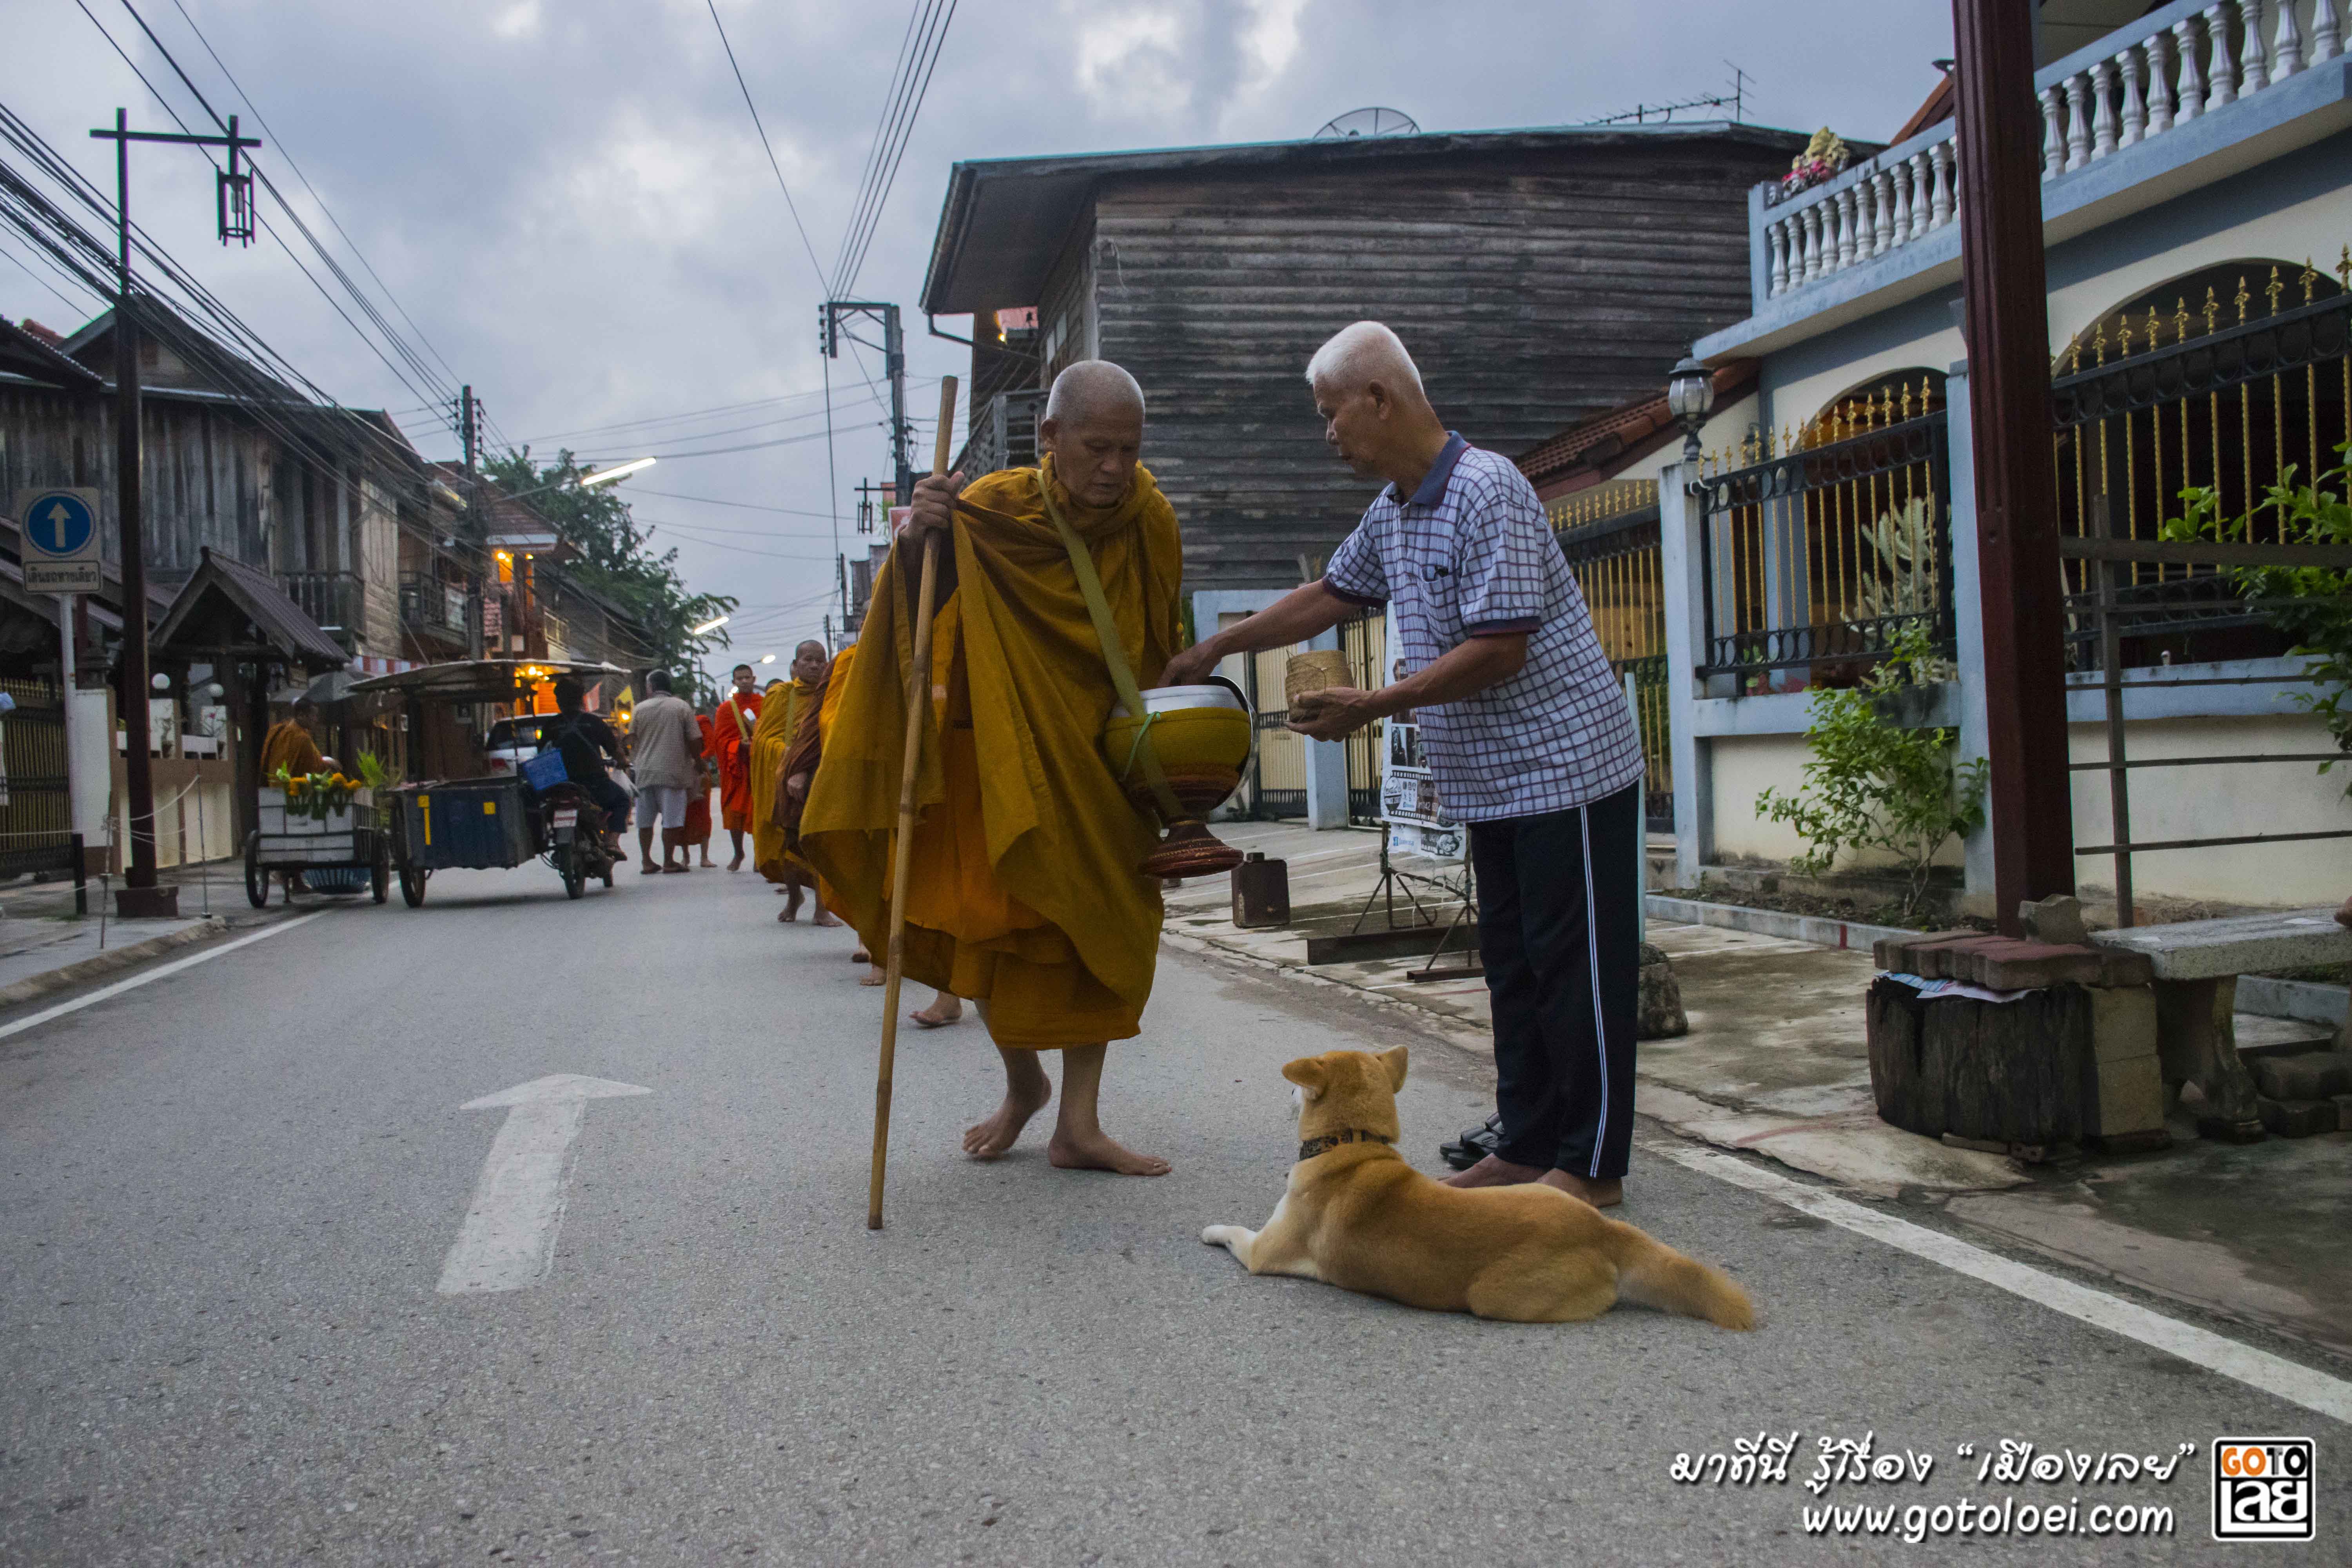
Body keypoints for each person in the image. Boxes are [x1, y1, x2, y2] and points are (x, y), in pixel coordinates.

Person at [1163, 322, 1646, 1208]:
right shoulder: (1396, 509)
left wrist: (1374, 705)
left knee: (1575, 966)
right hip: (1495, 779)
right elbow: (1330, 594)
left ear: (1378, 398)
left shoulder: (1486, 488)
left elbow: (1500, 648)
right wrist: (1221, 646)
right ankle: (1530, 1136)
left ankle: (1592, 1163)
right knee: (1514, 962)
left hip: (1568, 769)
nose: (1328, 432)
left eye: (1330, 412)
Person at [801, 360, 1181, 1176]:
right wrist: (916, 539)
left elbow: (1158, 639)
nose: (1116, 467)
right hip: (998, 748)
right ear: (1050, 438)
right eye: (1097, 446)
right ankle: (1024, 1085)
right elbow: (913, 609)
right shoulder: (990, 512)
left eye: (1129, 448)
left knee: (1097, 926)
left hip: (1101, 756)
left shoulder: (1151, 519)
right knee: (996, 923)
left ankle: (1079, 1122)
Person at [628, 670, 704, 875]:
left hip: (644, 772)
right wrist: (698, 761)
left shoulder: (639, 709)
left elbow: (630, 739)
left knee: (645, 820)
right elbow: (695, 740)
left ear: (650, 687)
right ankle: (669, 861)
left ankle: (647, 861)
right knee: (672, 820)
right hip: (673, 771)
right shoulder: (682, 707)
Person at [543, 681, 631, 852]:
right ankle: (612, 842)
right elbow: (615, 752)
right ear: (581, 700)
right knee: (622, 800)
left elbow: (542, 755)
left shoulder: (551, 725)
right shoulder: (594, 722)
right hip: (594, 783)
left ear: (559, 701)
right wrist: (623, 762)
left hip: (560, 785)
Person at [711, 664, 762, 870]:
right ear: (734, 682)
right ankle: (738, 853)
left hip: (758, 766)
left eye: (747, 678)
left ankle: (760, 856)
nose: (744, 681)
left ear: (754, 679)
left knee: (760, 811)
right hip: (736, 770)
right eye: (739, 679)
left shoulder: (765, 704)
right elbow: (720, 740)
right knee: (734, 812)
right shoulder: (725, 709)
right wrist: (738, 745)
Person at [260, 699, 334, 777]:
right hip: (292, 787)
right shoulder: (302, 738)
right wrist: (329, 765)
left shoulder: (276, 730)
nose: (316, 720)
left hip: (273, 785)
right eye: (314, 716)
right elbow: (312, 769)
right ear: (301, 715)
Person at [689, 707, 718, 867]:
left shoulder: (702, 722)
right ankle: (685, 857)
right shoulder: (678, 724)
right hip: (682, 770)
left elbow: (711, 747)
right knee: (683, 813)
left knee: (702, 813)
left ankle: (704, 857)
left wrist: (698, 761)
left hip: (699, 772)